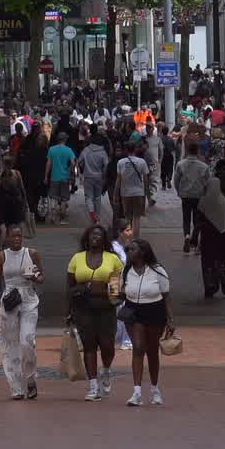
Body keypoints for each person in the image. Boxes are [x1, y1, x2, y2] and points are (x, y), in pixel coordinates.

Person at [67, 225, 124, 400]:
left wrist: (101, 290)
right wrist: (69, 311)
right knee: (89, 346)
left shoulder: (113, 259)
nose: (95, 237)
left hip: (106, 308)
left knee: (107, 346)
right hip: (83, 309)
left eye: (99, 235)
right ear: (87, 238)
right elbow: (70, 287)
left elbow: (116, 291)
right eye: (93, 234)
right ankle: (93, 387)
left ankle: (106, 370)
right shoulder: (76, 258)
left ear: (104, 239)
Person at [0, 224, 44, 400]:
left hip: (29, 298)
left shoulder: (32, 254)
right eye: (13, 236)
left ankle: (30, 379)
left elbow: (42, 277)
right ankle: (15, 387)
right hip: (10, 300)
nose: (16, 239)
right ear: (7, 237)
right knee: (9, 344)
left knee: (27, 341)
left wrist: (35, 277)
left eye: (19, 236)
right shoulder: (1, 256)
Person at [120, 239, 173, 406]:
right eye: (128, 249)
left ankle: (155, 388)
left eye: (132, 249)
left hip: (155, 311)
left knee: (152, 350)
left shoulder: (158, 270)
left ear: (142, 252)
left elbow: (166, 296)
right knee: (138, 347)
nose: (128, 252)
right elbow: (121, 291)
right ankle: (136, 393)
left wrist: (171, 319)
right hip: (133, 312)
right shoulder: (126, 270)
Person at [195, 161, 225, 298]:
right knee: (220, 260)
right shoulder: (223, 201)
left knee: (207, 262)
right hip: (222, 235)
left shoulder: (203, 200)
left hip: (207, 236)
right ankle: (222, 277)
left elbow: (198, 220)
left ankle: (209, 287)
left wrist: (195, 236)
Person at [173, 140, 212, 254]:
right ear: (198, 151)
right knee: (197, 219)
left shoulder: (181, 164)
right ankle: (195, 241)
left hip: (185, 195)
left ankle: (187, 235)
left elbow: (176, 180)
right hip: (199, 195)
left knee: (186, 218)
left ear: (188, 150)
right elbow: (208, 182)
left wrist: (179, 191)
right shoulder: (204, 166)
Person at [114, 144, 151, 236]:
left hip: (125, 193)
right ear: (135, 149)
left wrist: (115, 194)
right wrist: (146, 193)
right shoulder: (142, 162)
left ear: (126, 150)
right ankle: (136, 238)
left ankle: (128, 237)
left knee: (127, 217)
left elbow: (119, 179)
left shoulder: (121, 162)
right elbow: (146, 179)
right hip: (139, 193)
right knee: (137, 217)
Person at [45, 131, 78, 225]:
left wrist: (46, 176)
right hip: (65, 178)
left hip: (54, 177)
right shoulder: (69, 150)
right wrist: (72, 174)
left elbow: (48, 164)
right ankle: (62, 219)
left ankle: (53, 217)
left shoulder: (51, 149)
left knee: (54, 198)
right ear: (65, 139)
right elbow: (73, 163)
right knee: (64, 199)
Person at [77, 136, 110, 223]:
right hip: (99, 177)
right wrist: (104, 174)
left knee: (88, 197)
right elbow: (106, 165)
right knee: (97, 197)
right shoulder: (103, 152)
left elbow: (79, 161)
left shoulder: (86, 150)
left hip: (88, 176)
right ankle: (97, 216)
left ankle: (92, 214)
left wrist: (84, 166)